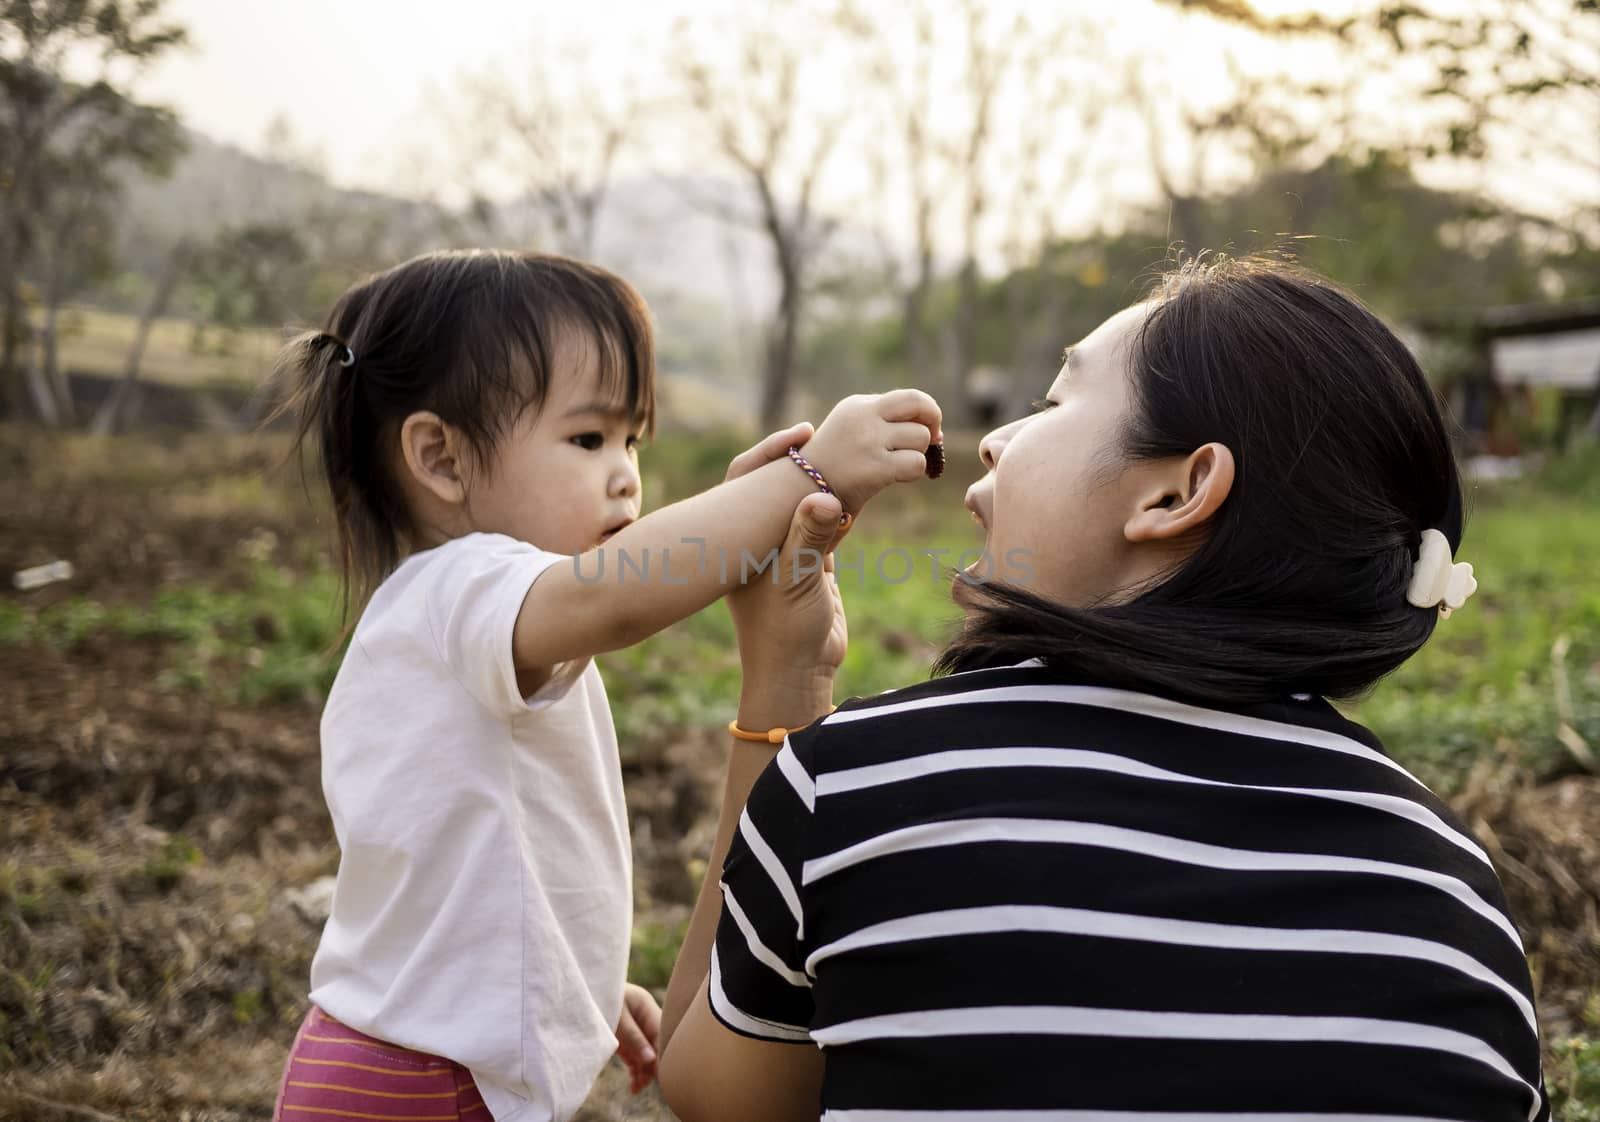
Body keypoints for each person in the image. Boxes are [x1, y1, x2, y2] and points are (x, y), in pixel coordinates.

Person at [656, 256, 1551, 1121]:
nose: (997, 439)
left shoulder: (863, 784)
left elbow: (710, 1095)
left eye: (1051, 404)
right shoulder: (1457, 890)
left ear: (1176, 494)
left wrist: (785, 679)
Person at [264, 249, 941, 1122]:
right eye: (587, 439)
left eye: (633, 441)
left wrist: (571, 989)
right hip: (413, 1083)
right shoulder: (458, 587)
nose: (626, 472)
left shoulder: (463, 621)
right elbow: (617, 595)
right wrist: (807, 479)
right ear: (441, 459)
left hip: (427, 1058)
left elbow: (471, 871)